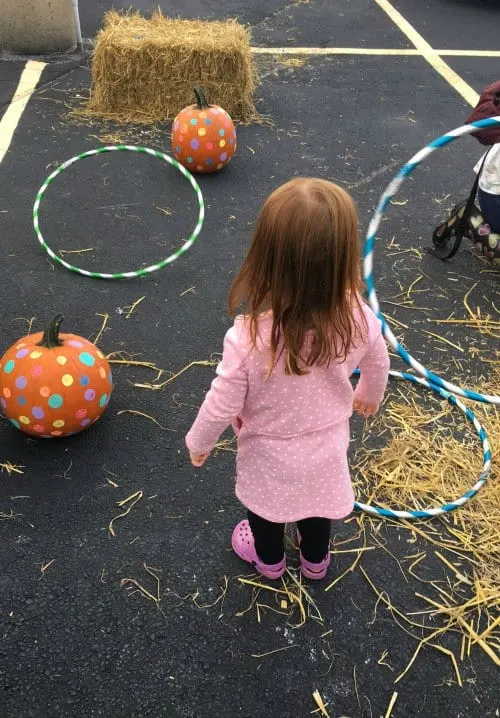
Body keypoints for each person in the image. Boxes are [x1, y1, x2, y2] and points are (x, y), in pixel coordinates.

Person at [185, 178, 390, 580]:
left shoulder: (247, 337)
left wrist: (199, 442)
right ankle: (316, 563)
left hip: (268, 452)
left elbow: (221, 401)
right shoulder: (360, 317)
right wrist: (368, 395)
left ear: (266, 260)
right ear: (343, 257)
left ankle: (270, 563)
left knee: (265, 512)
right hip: (327, 443)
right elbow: (378, 361)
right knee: (318, 507)